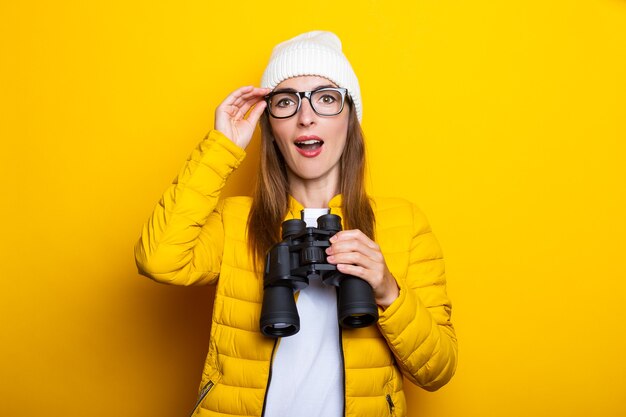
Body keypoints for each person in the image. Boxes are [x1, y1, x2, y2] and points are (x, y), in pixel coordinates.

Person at [135, 30, 457, 417]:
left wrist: (388, 290)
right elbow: (158, 259)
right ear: (270, 126)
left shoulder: (403, 223)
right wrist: (222, 146)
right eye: (286, 102)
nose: (306, 117)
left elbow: (437, 371)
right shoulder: (236, 220)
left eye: (325, 99)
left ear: (350, 118)